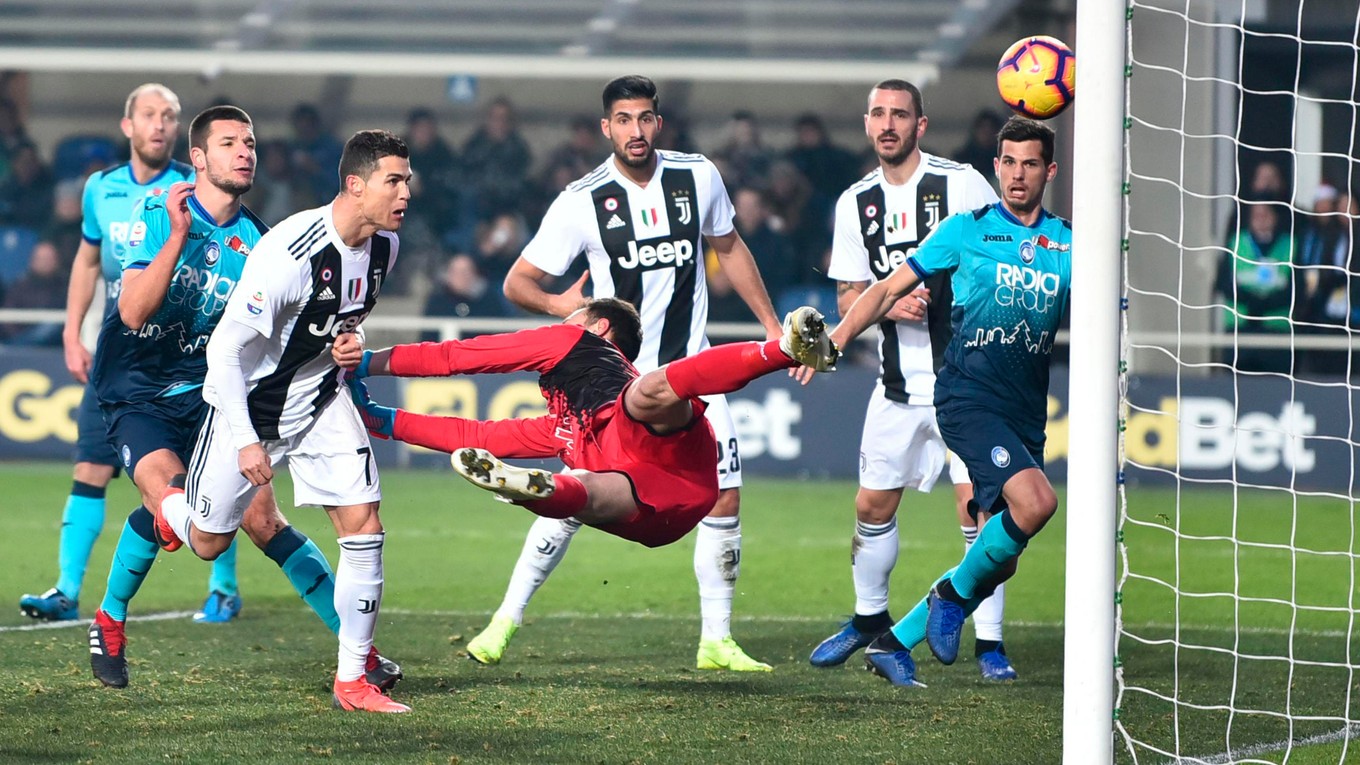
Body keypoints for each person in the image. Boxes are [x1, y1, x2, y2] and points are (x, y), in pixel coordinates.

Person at [84, 108, 401, 695]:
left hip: (219, 393)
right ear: (198, 159)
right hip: (139, 392)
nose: (245, 152)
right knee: (178, 510)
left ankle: (360, 652)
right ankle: (108, 620)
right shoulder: (156, 214)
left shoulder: (260, 238)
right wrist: (179, 238)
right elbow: (132, 313)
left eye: (251, 142)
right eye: (229, 143)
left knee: (261, 519)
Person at [484, 75, 787, 672]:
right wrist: (563, 309)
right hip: (612, 383)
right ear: (607, 128)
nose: (636, 131)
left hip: (692, 375)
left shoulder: (698, 176)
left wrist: (773, 327)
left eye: (645, 118)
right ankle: (503, 621)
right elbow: (517, 282)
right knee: (572, 499)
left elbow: (729, 245)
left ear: (659, 123)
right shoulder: (581, 199)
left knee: (723, 498)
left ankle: (716, 641)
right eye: (623, 120)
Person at [807, 116, 1071, 688]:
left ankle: (898, 642)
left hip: (1023, 409)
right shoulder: (964, 229)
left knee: (1005, 547)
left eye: (1030, 164)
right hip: (966, 396)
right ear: (996, 166)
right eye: (1008, 162)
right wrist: (837, 338)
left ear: (1049, 171)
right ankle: (949, 602)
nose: (1017, 175)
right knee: (1037, 504)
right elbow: (883, 288)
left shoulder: (1070, 244)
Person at [341, 298, 836, 555]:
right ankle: (538, 490)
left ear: (598, 327)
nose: (562, 321)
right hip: (669, 502)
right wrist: (381, 420)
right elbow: (476, 438)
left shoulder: (575, 344)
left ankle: (783, 350)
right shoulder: (560, 424)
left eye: (572, 316)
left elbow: (460, 356)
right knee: (589, 487)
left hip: (650, 443)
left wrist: (369, 362)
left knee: (642, 399)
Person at [16, 84, 236, 624]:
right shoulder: (101, 189)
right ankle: (66, 590)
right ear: (127, 126)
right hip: (118, 354)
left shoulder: (196, 187)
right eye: (149, 115)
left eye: (169, 117)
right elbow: (88, 262)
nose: (160, 125)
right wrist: (72, 332)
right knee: (90, 464)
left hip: (185, 357)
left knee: (210, 478)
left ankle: (223, 588)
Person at [1213, 200, 1296, 374]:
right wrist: (1252, 303)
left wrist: (1265, 304)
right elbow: (1223, 284)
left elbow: (1298, 288)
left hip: (1275, 332)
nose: (1261, 219)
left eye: (1266, 214)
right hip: (1240, 330)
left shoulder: (1289, 245)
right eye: (1257, 215)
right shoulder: (1236, 243)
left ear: (1275, 218)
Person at [0, 240, 67, 345]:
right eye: (40, 259)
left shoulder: (65, 287)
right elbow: (8, 319)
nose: (45, 262)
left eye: (48, 259)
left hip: (55, 345)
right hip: (18, 341)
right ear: (32, 261)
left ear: (57, 261)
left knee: (50, 326)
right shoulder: (20, 287)